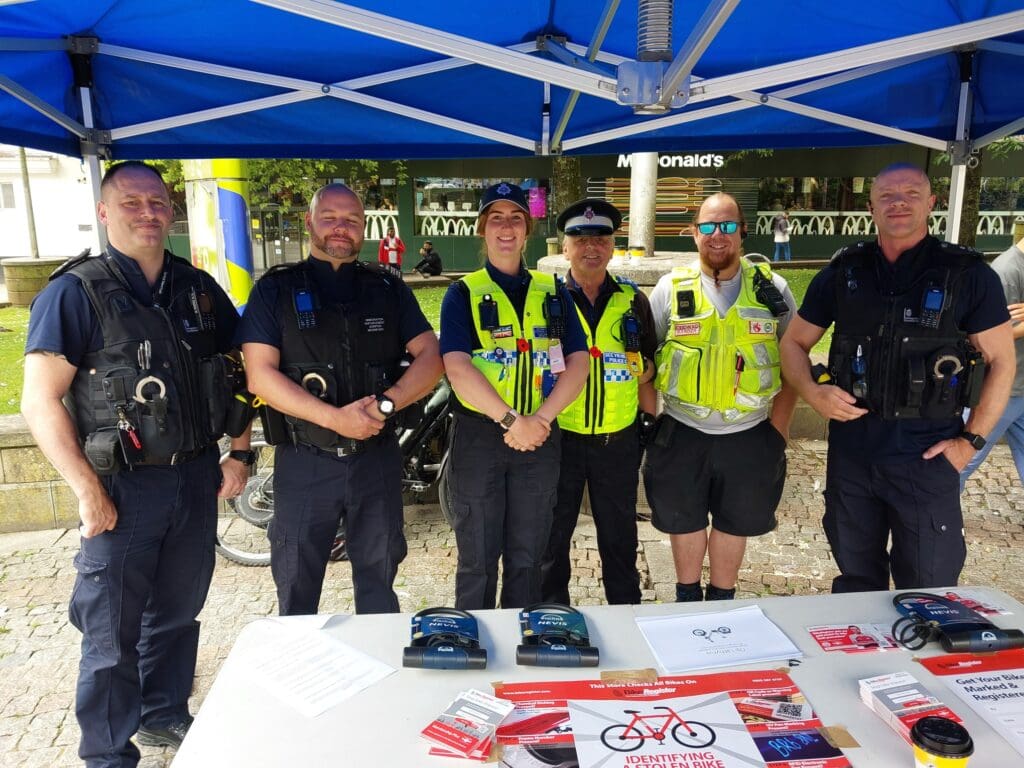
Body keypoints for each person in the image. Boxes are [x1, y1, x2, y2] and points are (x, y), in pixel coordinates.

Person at [20, 161, 252, 766]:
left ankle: (163, 715)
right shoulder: (75, 292)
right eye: (131, 201)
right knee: (110, 636)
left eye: (157, 200)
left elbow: (246, 369)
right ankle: (107, 753)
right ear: (103, 211)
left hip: (196, 477)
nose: (148, 211)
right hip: (123, 488)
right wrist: (85, 490)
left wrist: (242, 450)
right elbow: (39, 399)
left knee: (178, 613)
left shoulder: (198, 288)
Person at [780, 163, 1014, 593]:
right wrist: (813, 392)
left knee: (928, 587)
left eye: (910, 193)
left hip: (925, 454)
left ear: (931, 204)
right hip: (853, 452)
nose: (899, 202)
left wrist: (971, 442)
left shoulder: (966, 275)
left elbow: (1002, 360)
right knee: (856, 582)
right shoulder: (844, 271)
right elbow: (793, 344)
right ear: (871, 207)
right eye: (887, 195)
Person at [239, 183, 441, 615]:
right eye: (329, 217)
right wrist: (334, 419)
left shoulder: (387, 290)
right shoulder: (275, 291)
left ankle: (381, 671)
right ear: (310, 222)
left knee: (379, 579)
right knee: (296, 582)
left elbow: (432, 357)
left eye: (351, 219)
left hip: (376, 461)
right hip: (305, 460)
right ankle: (302, 676)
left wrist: (388, 403)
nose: (340, 227)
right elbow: (259, 375)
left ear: (364, 228)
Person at [440, 182, 589, 609]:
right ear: (482, 230)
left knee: (529, 556)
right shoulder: (462, 293)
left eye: (516, 219)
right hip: (480, 438)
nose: (506, 228)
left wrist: (540, 420)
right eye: (496, 219)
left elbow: (577, 361)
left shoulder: (553, 291)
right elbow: (457, 367)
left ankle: (519, 643)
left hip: (540, 436)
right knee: (478, 558)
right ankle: (477, 640)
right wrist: (512, 420)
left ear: (528, 231)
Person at [644, 192, 797, 602]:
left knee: (735, 522)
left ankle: (723, 600)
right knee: (684, 519)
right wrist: (648, 420)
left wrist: (778, 431)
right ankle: (687, 598)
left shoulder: (772, 289)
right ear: (694, 232)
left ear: (742, 231)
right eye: (708, 226)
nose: (718, 235)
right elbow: (646, 360)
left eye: (727, 225)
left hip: (749, 431)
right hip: (682, 428)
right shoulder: (669, 288)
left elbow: (794, 362)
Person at [539, 199, 658, 606]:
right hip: (561, 437)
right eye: (580, 238)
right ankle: (552, 616)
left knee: (620, 536)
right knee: (552, 536)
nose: (591, 247)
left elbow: (650, 368)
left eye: (601, 239)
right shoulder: (547, 298)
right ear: (564, 245)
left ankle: (626, 613)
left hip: (617, 439)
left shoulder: (633, 300)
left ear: (613, 245)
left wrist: (649, 420)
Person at [960, 233, 1024, 491]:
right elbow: (986, 336)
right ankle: (932, 521)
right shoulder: (1006, 272)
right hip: (1002, 389)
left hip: (1020, 388)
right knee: (962, 457)